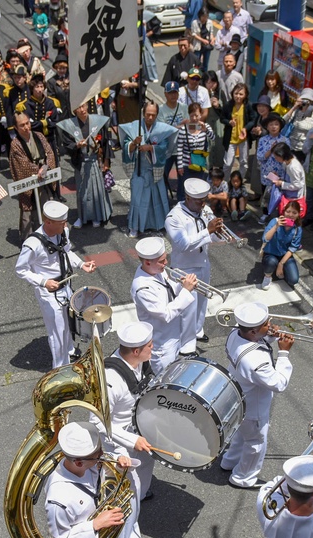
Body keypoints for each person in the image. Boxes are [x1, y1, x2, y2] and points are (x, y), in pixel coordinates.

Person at [89, 322, 156, 538]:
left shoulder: (139, 362)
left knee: (147, 466)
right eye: (149, 345)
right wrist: (130, 441)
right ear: (136, 351)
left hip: (136, 431)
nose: (153, 348)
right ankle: (126, 537)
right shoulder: (111, 380)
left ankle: (142, 496)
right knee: (128, 489)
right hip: (117, 442)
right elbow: (96, 421)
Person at [220, 302, 294, 489]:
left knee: (240, 434)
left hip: (238, 396)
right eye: (266, 324)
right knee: (255, 443)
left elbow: (254, 345)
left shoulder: (234, 334)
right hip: (254, 406)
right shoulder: (255, 361)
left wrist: (268, 337)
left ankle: (229, 461)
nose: (270, 325)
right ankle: (243, 477)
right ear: (253, 331)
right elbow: (279, 383)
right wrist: (284, 353)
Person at [15, 200, 96, 368]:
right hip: (49, 292)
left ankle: (69, 350)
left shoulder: (63, 231)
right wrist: (43, 282)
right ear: (48, 222)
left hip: (65, 285)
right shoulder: (33, 244)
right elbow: (21, 269)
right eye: (62, 222)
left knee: (68, 322)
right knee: (57, 332)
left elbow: (67, 251)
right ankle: (60, 368)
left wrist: (81, 264)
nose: (66, 225)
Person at [165, 178, 223, 355]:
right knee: (188, 309)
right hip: (184, 268)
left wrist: (218, 233)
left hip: (203, 262)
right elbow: (183, 244)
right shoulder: (174, 218)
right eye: (199, 201)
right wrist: (208, 231)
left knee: (202, 303)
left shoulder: (205, 210)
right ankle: (187, 345)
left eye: (204, 200)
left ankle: (198, 330)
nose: (203, 205)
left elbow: (213, 238)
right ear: (188, 198)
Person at [130, 237, 197, 374]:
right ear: (148, 262)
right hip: (162, 345)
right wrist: (186, 291)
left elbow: (170, 290)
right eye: (162, 261)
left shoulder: (157, 270)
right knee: (165, 379)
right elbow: (165, 315)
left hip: (174, 335)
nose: (166, 263)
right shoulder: (143, 289)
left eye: (165, 259)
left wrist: (181, 286)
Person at [120, 103, 178, 238]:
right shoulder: (134, 127)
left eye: (153, 115)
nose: (150, 117)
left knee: (155, 199)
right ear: (143, 113)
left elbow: (164, 147)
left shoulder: (161, 129)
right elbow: (126, 145)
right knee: (137, 199)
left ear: (157, 115)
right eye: (148, 114)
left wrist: (151, 148)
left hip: (153, 170)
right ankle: (134, 226)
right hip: (139, 169)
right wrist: (134, 143)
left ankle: (157, 225)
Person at [58, 104, 112, 228]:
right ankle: (82, 217)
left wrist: (106, 161)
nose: (82, 110)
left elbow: (105, 142)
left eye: (83, 106)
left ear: (87, 106)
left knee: (96, 191)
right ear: (74, 110)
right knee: (82, 191)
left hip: (95, 161)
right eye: (78, 107)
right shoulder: (70, 124)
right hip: (81, 161)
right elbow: (66, 144)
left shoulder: (96, 121)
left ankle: (97, 216)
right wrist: (76, 146)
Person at [9, 112, 59, 242]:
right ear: (16, 127)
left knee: (46, 207)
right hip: (30, 179)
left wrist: (46, 166)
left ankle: (50, 237)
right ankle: (29, 242)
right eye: (22, 125)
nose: (26, 127)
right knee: (28, 213)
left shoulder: (39, 135)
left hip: (44, 174)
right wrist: (38, 169)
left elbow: (49, 152)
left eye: (27, 123)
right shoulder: (15, 144)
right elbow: (22, 165)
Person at [260, 199, 304, 290]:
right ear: (283, 212)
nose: (290, 215)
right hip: (270, 253)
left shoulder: (297, 228)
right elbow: (265, 238)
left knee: (293, 280)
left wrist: (281, 263)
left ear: (298, 214)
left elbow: (292, 248)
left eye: (294, 213)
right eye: (288, 211)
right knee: (271, 261)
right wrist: (276, 226)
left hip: (285, 255)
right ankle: (267, 275)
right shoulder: (275, 221)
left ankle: (279, 268)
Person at [175, 104, 216, 200]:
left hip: (199, 163)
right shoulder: (183, 129)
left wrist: (205, 130)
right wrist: (180, 166)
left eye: (196, 115)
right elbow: (179, 148)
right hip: (186, 164)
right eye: (192, 115)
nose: (194, 118)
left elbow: (213, 138)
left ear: (201, 115)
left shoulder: (205, 126)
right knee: (184, 188)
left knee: (198, 188)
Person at [219, 84, 253, 180]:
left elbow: (253, 120)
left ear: (245, 95)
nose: (238, 96)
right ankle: (225, 182)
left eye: (241, 94)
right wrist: (229, 122)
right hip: (230, 139)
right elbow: (222, 118)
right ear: (232, 94)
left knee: (244, 163)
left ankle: (239, 182)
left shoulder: (248, 106)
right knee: (228, 163)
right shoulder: (228, 106)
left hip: (244, 138)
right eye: (236, 93)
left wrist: (245, 128)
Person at [284, 89, 313, 163]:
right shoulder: (296, 111)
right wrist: (294, 107)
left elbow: (309, 127)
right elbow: (284, 120)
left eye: (308, 100)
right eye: (304, 99)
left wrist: (296, 123)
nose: (306, 102)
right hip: (291, 146)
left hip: (303, 148)